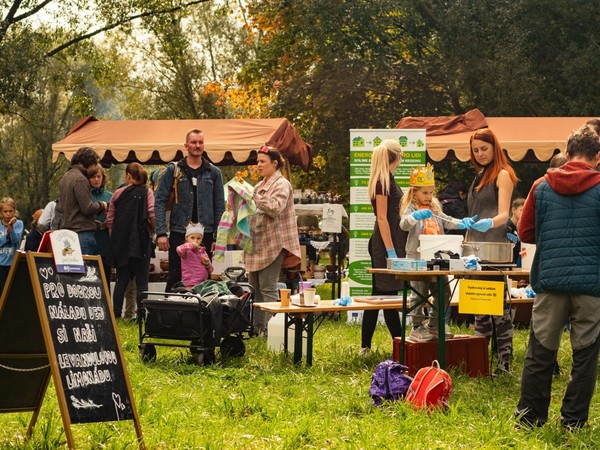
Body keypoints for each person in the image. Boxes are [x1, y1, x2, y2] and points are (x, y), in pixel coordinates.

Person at [515, 124, 600, 429]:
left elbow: (525, 232)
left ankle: (529, 419)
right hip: (591, 285)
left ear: (566, 153)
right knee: (585, 356)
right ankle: (573, 421)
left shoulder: (541, 186)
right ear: (598, 157)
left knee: (541, 352)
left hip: (550, 280)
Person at [400, 164, 475, 342]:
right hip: (417, 259)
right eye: (425, 193)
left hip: (436, 259)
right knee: (418, 294)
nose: (429, 196)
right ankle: (416, 327)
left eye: (431, 192)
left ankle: (433, 325)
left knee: (444, 293)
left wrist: (462, 222)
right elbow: (404, 224)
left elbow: (447, 220)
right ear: (414, 192)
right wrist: (413, 217)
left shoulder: (434, 207)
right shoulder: (411, 207)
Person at [466, 128, 518, 372]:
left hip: (495, 250)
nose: (480, 154)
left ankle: (504, 362)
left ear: (495, 147)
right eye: (476, 150)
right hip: (474, 251)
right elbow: (473, 214)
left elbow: (504, 214)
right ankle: (479, 363)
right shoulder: (478, 177)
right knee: (479, 307)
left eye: (484, 149)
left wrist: (488, 223)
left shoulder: (503, 175)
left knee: (498, 310)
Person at [155, 129, 225, 292]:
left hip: (205, 234)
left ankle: (199, 309)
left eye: (200, 142)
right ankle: (171, 308)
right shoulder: (174, 170)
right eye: (193, 142)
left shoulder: (213, 172)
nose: (197, 145)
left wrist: (218, 237)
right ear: (186, 145)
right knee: (175, 278)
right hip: (179, 232)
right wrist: (161, 232)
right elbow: (160, 201)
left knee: (202, 278)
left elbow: (219, 207)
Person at [245, 146, 301, 336]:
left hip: (274, 243)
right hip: (258, 243)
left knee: (268, 288)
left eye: (262, 161)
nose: (258, 165)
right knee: (254, 289)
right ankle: (257, 330)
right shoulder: (259, 185)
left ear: (274, 163)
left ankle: (273, 333)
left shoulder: (282, 184)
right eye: (257, 161)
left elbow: (275, 207)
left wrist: (253, 197)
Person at [360, 139, 407, 356]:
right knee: (384, 293)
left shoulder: (387, 179)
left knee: (384, 294)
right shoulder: (383, 182)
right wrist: (390, 251)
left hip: (391, 240)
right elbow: (382, 217)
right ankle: (399, 346)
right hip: (384, 243)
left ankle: (388, 345)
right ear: (398, 156)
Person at [106, 163, 155, 320]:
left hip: (122, 242)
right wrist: (153, 232)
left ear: (128, 176)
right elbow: (152, 214)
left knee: (121, 279)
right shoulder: (148, 192)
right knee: (142, 282)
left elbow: (110, 221)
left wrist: (115, 241)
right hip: (142, 241)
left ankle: (116, 316)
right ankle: (141, 316)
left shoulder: (117, 194)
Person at [57, 147, 107, 254]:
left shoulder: (65, 177)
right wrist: (102, 205)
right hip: (82, 236)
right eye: (93, 165)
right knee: (85, 264)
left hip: (68, 235)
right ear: (89, 163)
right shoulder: (80, 179)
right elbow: (87, 208)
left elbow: (70, 208)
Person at [88, 164, 113, 281]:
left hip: (105, 243)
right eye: (93, 177)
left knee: (105, 279)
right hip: (89, 241)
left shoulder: (110, 196)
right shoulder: (85, 195)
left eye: (99, 176)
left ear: (103, 177)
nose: (96, 180)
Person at [176, 222, 213, 289]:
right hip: (190, 284)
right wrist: (191, 245)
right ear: (187, 238)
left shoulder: (203, 252)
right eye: (192, 238)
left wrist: (207, 263)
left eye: (198, 238)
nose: (195, 240)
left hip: (203, 284)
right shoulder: (186, 251)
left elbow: (210, 270)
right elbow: (179, 249)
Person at [0, 198, 24, 294]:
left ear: (14, 211)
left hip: (13, 264)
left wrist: (11, 229)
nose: (8, 214)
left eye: (10, 211)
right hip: (1, 264)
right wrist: (7, 235)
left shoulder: (18, 224)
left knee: (12, 292)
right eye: (5, 211)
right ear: (1, 213)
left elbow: (15, 241)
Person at [505, 198, 525, 267]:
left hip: (517, 264)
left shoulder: (523, 228)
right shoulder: (505, 226)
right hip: (506, 265)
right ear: (513, 210)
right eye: (521, 210)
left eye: (525, 211)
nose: (524, 213)